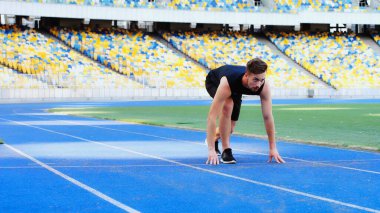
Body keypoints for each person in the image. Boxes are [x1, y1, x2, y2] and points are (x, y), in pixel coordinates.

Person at [205, 58, 285, 165]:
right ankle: (226, 150)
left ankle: (214, 137)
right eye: (255, 79)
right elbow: (212, 116)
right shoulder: (227, 82)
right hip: (215, 81)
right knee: (228, 106)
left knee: (230, 128)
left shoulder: (263, 86)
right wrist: (210, 150)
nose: (258, 84)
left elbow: (267, 116)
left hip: (237, 88)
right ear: (246, 75)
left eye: (262, 80)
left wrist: (273, 148)